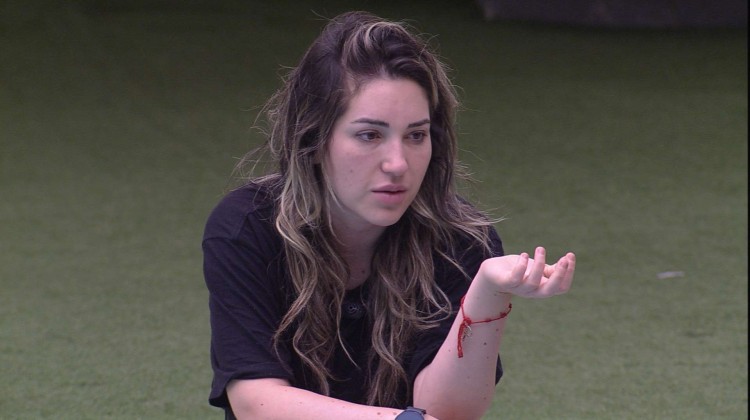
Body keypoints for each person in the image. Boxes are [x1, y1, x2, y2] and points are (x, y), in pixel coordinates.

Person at [202, 11, 575, 420]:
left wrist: (486, 293)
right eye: (369, 135)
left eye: (416, 135)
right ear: (313, 139)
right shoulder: (248, 227)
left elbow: (447, 411)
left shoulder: (462, 240)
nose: (398, 164)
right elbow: (256, 402)